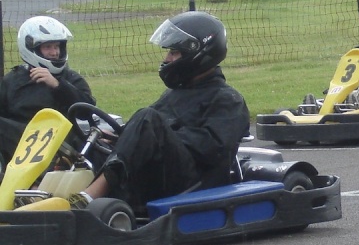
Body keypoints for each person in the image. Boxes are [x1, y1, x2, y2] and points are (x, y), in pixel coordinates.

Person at [69, 11, 250, 211]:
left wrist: (160, 134)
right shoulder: (174, 94)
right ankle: (46, 192)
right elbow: (148, 134)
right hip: (162, 177)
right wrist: (119, 137)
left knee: (147, 117)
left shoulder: (227, 99)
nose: (167, 58)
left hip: (195, 184)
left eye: (174, 52)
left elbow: (211, 148)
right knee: (84, 140)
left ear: (195, 53)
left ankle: (89, 196)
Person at [0, 16, 95, 167]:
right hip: (18, 143)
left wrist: (57, 85)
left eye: (57, 47)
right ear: (32, 49)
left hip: (57, 143)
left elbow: (87, 110)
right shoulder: (13, 80)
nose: (54, 53)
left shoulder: (70, 79)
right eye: (48, 47)